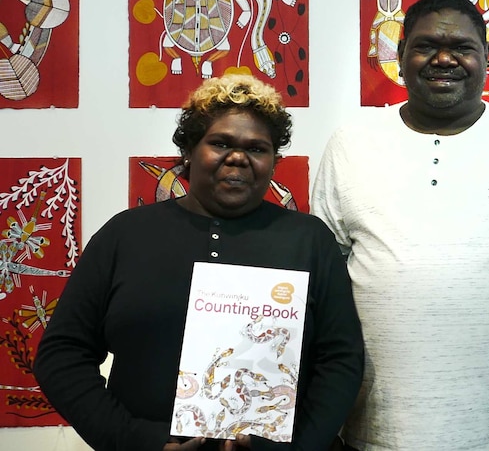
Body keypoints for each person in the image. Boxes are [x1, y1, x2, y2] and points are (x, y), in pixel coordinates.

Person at [34, 74, 364, 451]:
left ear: (274, 162)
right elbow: (61, 356)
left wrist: (298, 448)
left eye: (257, 148)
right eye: (221, 143)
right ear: (189, 151)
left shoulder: (309, 240)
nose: (238, 157)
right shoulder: (125, 236)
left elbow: (340, 359)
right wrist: (134, 440)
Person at [312, 0, 489, 451]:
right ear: (399, 56)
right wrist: (321, 426)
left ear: (487, 58)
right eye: (425, 45)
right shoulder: (351, 144)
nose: (443, 58)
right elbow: (322, 291)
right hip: (371, 436)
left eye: (462, 48)